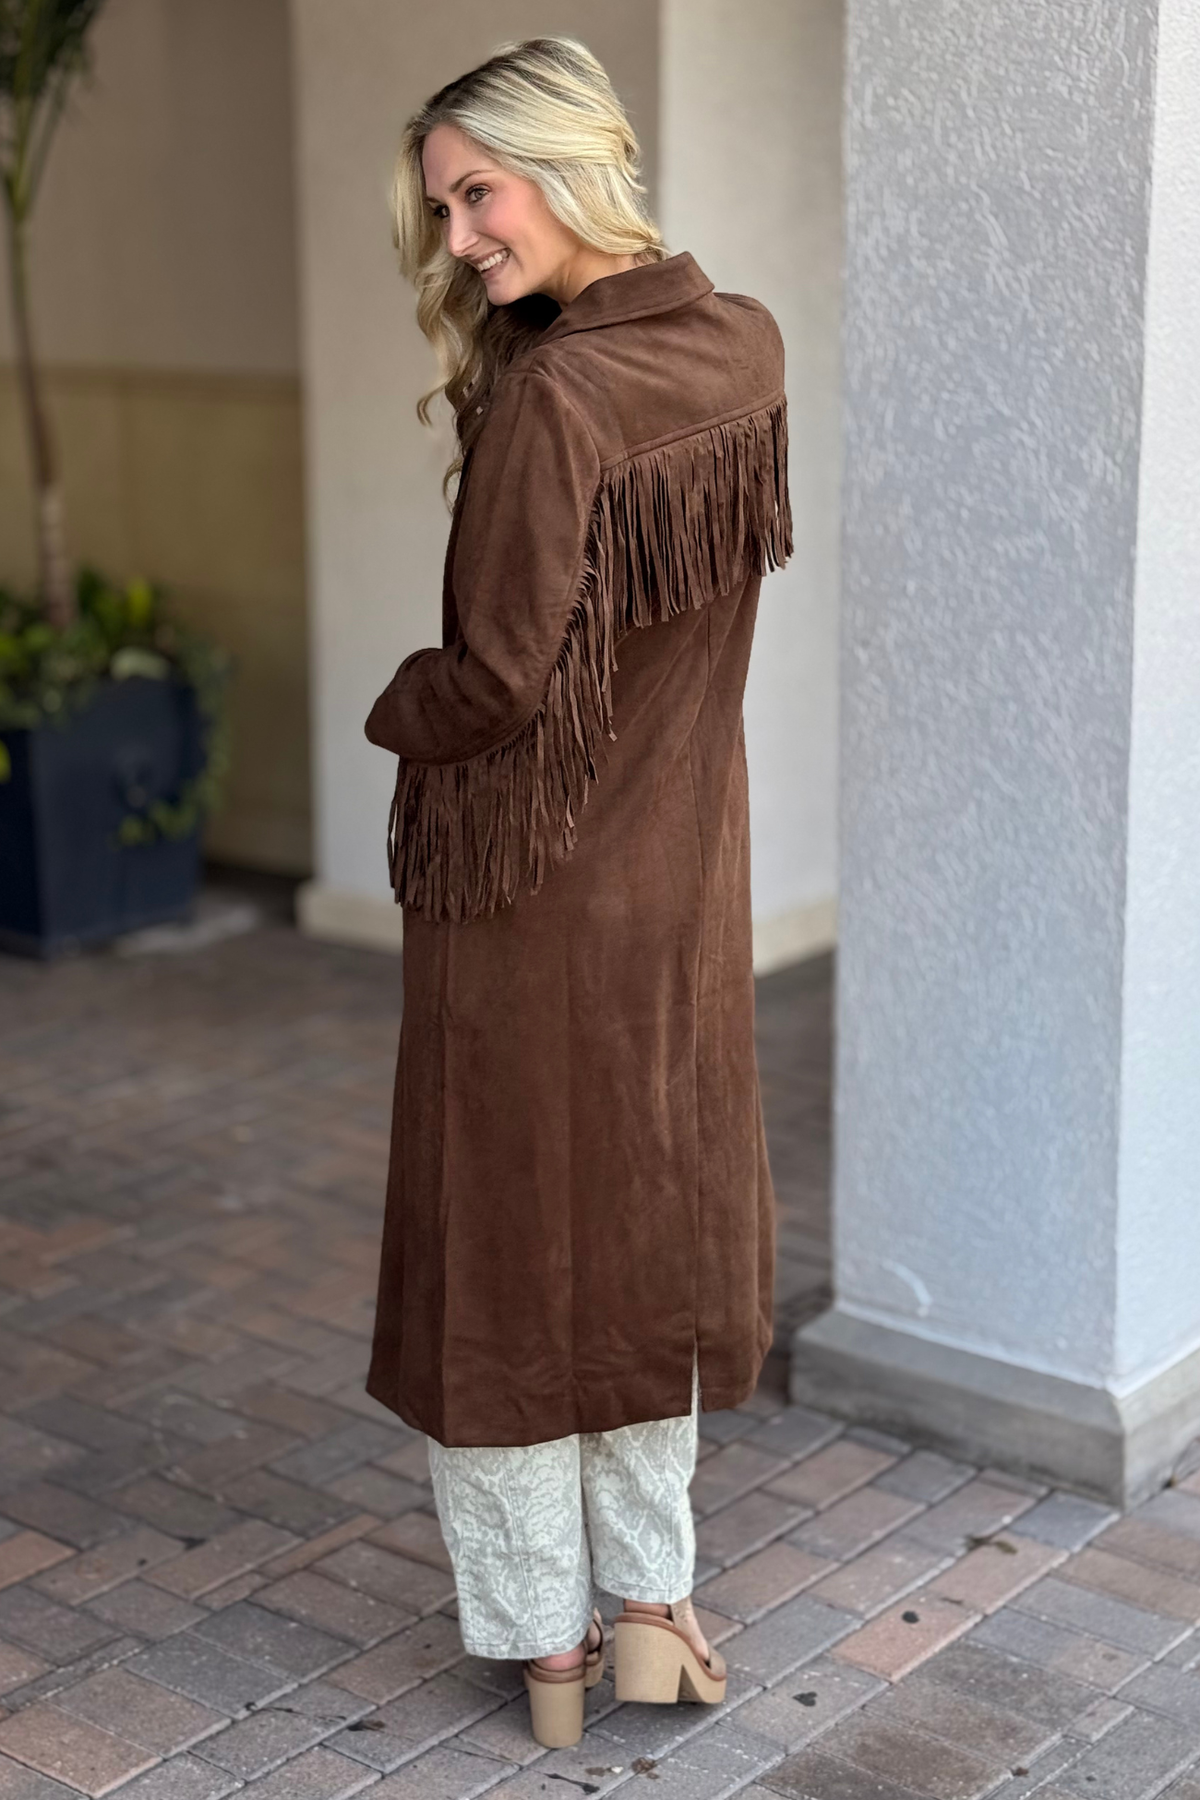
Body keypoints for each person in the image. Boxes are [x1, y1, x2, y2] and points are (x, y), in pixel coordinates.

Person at [362, 35, 793, 1750]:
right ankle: (652, 1618)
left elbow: (492, 680)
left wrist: (394, 700)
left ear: (574, 158)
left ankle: (544, 1648)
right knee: (641, 1242)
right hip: (683, 888)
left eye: (480, 190)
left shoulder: (557, 399)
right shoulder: (741, 346)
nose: (460, 235)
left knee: (506, 1257)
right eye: (443, 207)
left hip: (525, 899)